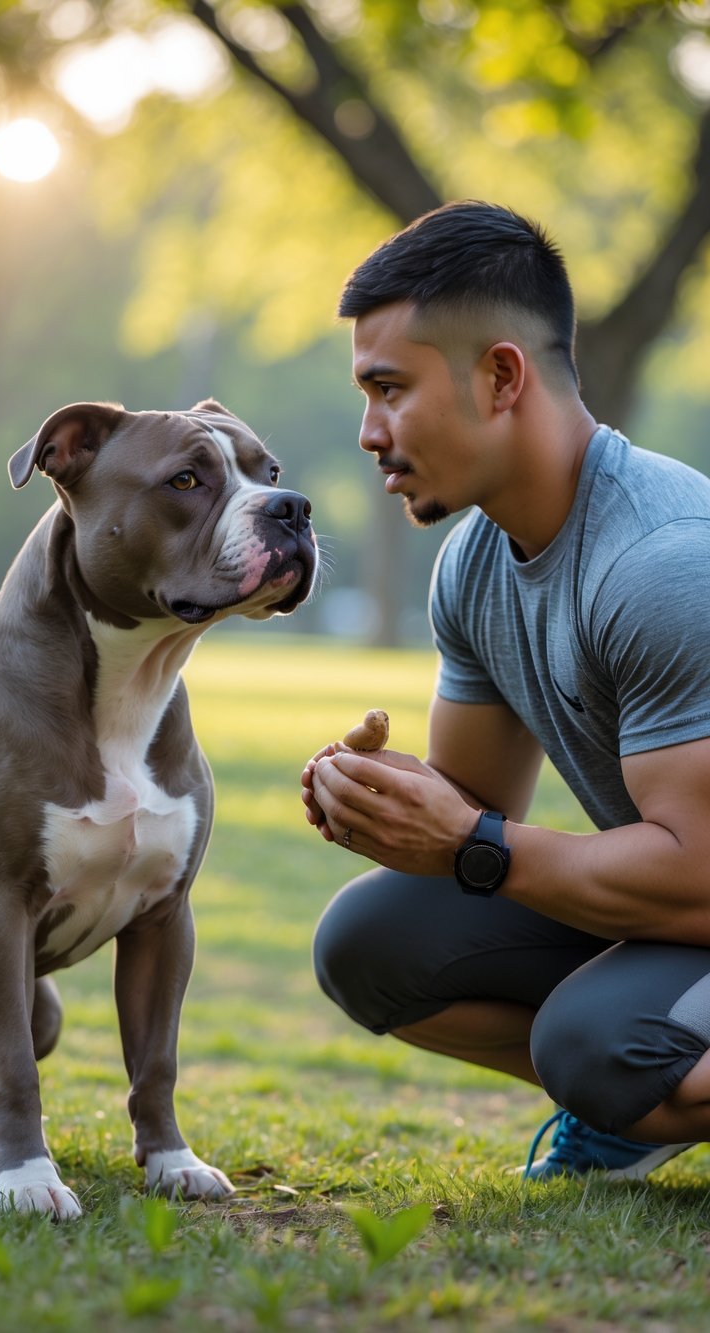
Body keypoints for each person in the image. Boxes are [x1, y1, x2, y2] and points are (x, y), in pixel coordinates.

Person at [301, 200, 710, 1180]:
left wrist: (471, 842)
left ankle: (623, 1090)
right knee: (371, 940)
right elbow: (474, 820)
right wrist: (386, 801)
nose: (369, 431)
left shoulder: (663, 559)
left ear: (499, 376)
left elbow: (698, 876)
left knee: (597, 1044)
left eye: (389, 388)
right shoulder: (474, 566)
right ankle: (623, 1104)